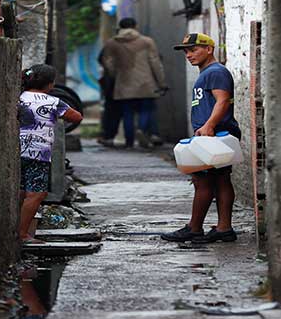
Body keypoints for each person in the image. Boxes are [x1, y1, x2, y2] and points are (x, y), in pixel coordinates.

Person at [161, 33, 241, 243]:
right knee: (222, 180)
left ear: (209, 49)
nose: (189, 55)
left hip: (214, 135)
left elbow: (222, 101)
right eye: (186, 51)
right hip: (215, 134)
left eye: (194, 49)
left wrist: (209, 125)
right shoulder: (208, 73)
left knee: (202, 181)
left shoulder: (215, 72)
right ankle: (224, 228)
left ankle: (194, 228)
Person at [18, 64, 83, 243]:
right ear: (49, 85)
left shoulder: (19, 98)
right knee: (37, 194)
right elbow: (77, 116)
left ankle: (18, 229)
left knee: (22, 191)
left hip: (18, 151)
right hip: (38, 153)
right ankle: (23, 234)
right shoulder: (52, 102)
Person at [101, 17, 166, 148]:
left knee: (127, 113)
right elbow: (155, 63)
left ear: (120, 27)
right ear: (135, 26)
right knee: (146, 109)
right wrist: (161, 82)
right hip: (145, 83)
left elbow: (108, 63)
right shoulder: (147, 42)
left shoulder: (112, 43)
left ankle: (129, 141)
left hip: (124, 82)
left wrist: (116, 75)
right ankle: (141, 130)